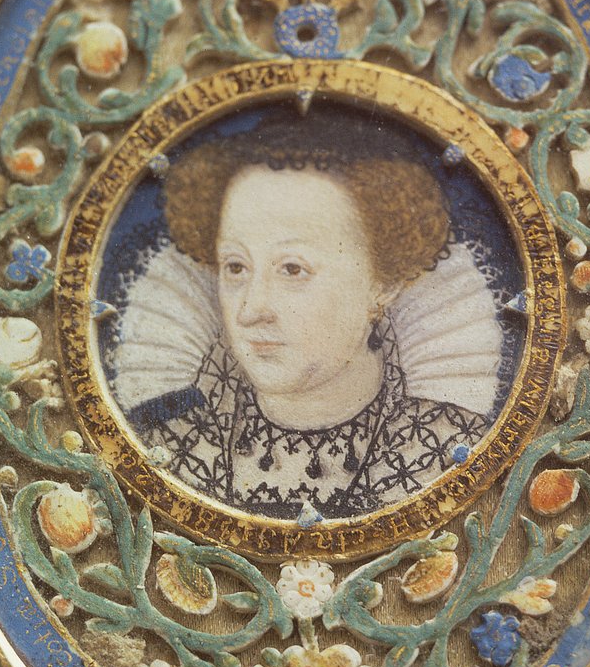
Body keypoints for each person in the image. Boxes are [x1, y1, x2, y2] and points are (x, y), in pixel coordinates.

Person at [116, 114, 501, 519]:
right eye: (235, 267)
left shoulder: (447, 447)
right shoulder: (167, 441)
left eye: (292, 269)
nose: (250, 310)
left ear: (383, 282)